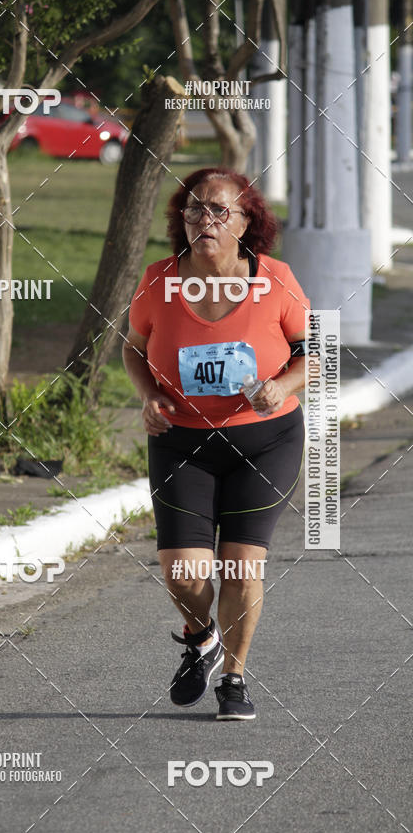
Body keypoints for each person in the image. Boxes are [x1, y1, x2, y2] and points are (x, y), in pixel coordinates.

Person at [122, 167, 309, 720]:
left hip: (264, 440)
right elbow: (134, 348)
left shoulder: (275, 279)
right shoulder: (159, 280)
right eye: (195, 209)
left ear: (247, 221)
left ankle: (234, 677)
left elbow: (317, 351)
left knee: (241, 564)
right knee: (182, 572)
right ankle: (201, 635)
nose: (204, 220)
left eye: (219, 211)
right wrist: (148, 396)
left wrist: (282, 384)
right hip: (182, 441)